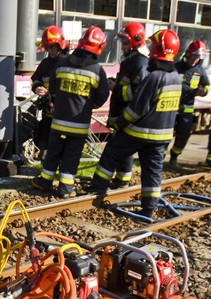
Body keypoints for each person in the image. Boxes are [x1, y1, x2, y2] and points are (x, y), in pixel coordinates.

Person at [86, 29, 182, 218]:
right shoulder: (176, 77)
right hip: (162, 136)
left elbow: (137, 109)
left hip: (140, 132)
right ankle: (148, 209)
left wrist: (120, 123)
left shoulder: (154, 78)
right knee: (153, 172)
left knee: (112, 152)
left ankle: (97, 189)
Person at [32, 26, 109, 199]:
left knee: (53, 151)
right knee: (71, 155)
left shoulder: (61, 65)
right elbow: (103, 95)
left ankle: (44, 181)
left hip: (58, 121)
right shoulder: (97, 70)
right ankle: (66, 189)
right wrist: (90, 105)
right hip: (79, 124)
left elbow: (53, 88)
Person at [104, 21, 149, 188]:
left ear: (134, 42)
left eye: (124, 43)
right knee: (121, 149)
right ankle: (121, 179)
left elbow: (137, 93)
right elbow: (128, 83)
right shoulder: (131, 60)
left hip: (127, 113)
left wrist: (115, 88)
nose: (122, 47)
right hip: (121, 113)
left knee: (120, 149)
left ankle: (118, 181)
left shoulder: (140, 62)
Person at [167, 40, 210, 167]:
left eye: (198, 57)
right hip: (171, 107)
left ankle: (174, 157)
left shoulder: (200, 71)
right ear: (187, 54)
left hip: (187, 109)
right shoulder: (176, 67)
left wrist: (202, 91)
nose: (195, 59)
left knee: (184, 136)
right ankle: (160, 157)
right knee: (165, 135)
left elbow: (207, 87)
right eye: (194, 56)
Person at [30, 26, 69, 157]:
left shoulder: (68, 63)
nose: (50, 51)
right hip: (48, 112)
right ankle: (45, 166)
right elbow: (36, 79)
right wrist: (37, 88)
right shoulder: (46, 63)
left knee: (62, 144)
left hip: (64, 112)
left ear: (60, 45)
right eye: (47, 48)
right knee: (44, 140)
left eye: (52, 47)